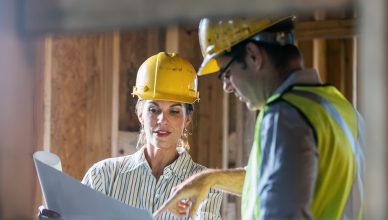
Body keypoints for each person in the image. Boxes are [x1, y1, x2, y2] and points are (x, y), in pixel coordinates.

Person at [155, 16, 365, 220]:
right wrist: (210, 178)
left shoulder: (284, 115)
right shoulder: (342, 110)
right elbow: (285, 179)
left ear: (253, 55)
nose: (227, 87)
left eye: (226, 73)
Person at [81, 52, 222, 219]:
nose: (162, 120)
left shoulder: (205, 184)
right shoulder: (102, 176)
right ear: (140, 114)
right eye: (154, 109)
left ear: (187, 119)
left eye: (174, 111)